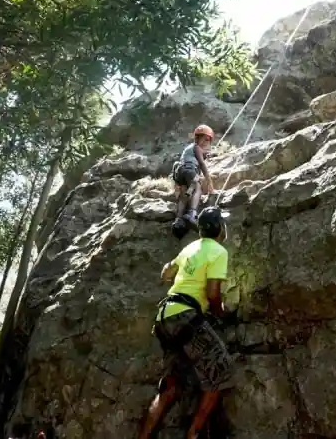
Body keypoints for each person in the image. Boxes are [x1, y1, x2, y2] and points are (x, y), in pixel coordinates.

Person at [139, 206, 234, 439]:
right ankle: (193, 433)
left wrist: (176, 266)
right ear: (220, 228)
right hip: (185, 318)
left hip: (164, 318)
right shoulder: (219, 251)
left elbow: (165, 274)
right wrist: (221, 313)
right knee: (221, 370)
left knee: (170, 387)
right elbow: (213, 294)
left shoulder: (189, 248)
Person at [172, 125, 215, 224]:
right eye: (204, 139)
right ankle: (192, 214)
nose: (205, 142)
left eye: (208, 140)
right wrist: (210, 184)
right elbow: (202, 164)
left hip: (181, 172)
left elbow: (203, 153)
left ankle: (178, 219)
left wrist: (209, 154)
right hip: (189, 170)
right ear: (197, 138)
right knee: (197, 189)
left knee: (184, 195)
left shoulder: (190, 148)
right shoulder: (196, 147)